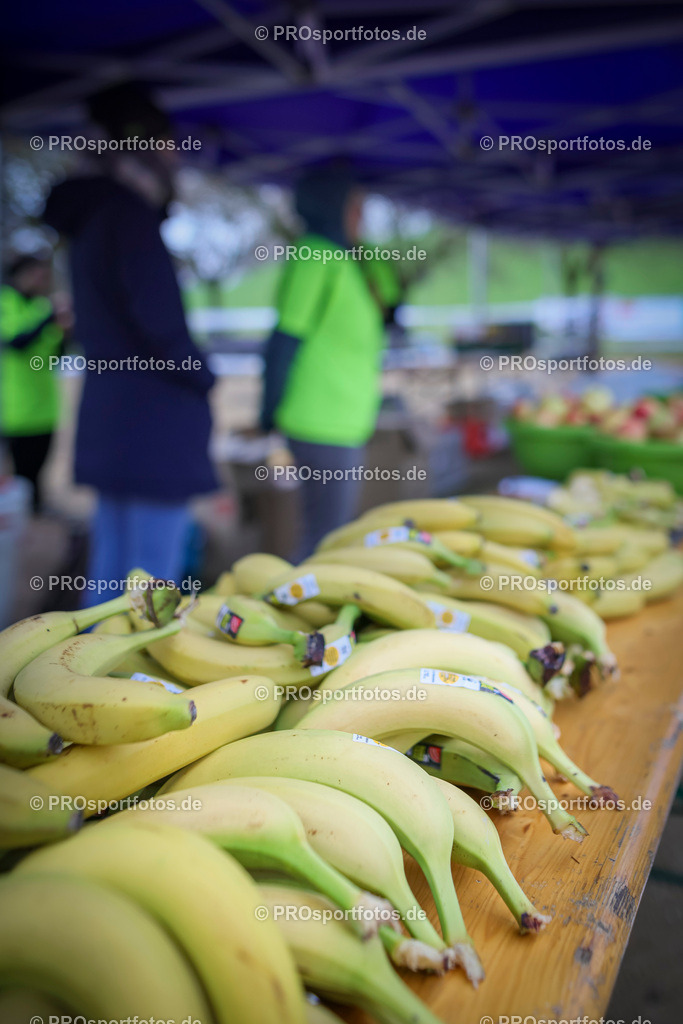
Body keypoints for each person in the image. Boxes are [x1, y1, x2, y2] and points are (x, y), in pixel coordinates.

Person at [42, 83, 215, 597]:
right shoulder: (127, 218)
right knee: (152, 581)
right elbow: (160, 326)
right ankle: (126, 679)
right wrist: (203, 376)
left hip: (114, 419)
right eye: (166, 142)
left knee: (113, 570)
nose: (174, 156)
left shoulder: (94, 218)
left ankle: (84, 672)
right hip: (151, 429)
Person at [260, 165, 385, 558]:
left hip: (342, 421)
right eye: (354, 207)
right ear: (331, 207)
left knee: (331, 533)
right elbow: (284, 340)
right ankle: (299, 612)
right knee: (325, 539)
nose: (360, 218)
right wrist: (267, 411)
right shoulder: (315, 255)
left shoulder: (349, 262)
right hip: (319, 422)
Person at [0, 253, 67, 511]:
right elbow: (17, 342)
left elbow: (55, 355)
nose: (42, 281)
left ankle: (34, 522)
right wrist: (50, 316)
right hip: (15, 409)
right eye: (37, 275)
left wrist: (65, 331)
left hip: (45, 408)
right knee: (18, 479)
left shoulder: (41, 306)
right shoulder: (6, 301)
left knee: (37, 475)